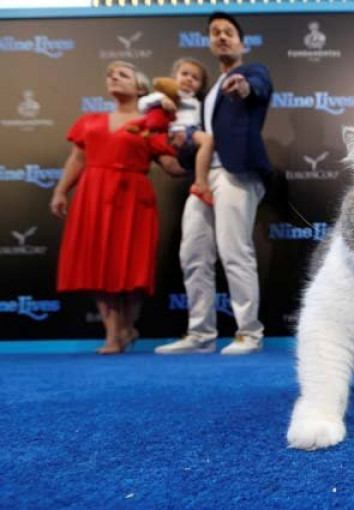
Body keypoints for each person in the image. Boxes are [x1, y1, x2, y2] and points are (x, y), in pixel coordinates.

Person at [155, 11, 273, 355]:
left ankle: (249, 334)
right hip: (204, 179)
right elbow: (202, 138)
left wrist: (245, 87)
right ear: (209, 42)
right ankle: (201, 334)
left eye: (228, 32)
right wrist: (184, 150)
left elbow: (258, 89)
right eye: (215, 32)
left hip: (237, 174)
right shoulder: (204, 96)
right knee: (192, 253)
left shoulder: (253, 72)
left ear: (242, 42)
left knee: (234, 251)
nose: (221, 36)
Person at [50, 61, 185, 354]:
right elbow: (77, 160)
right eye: (110, 74)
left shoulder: (152, 124)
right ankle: (113, 334)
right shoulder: (90, 120)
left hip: (134, 199)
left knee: (131, 265)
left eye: (122, 74)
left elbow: (171, 166)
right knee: (100, 264)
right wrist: (61, 191)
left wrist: (183, 148)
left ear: (140, 88)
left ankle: (126, 327)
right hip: (93, 195)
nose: (113, 77)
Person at [139, 57, 215, 206]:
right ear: (175, 77)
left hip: (193, 134)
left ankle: (198, 177)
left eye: (195, 78)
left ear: (201, 86)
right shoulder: (168, 95)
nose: (189, 79)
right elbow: (141, 104)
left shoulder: (200, 102)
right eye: (184, 74)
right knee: (207, 141)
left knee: (206, 144)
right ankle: (201, 183)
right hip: (176, 133)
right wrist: (161, 99)